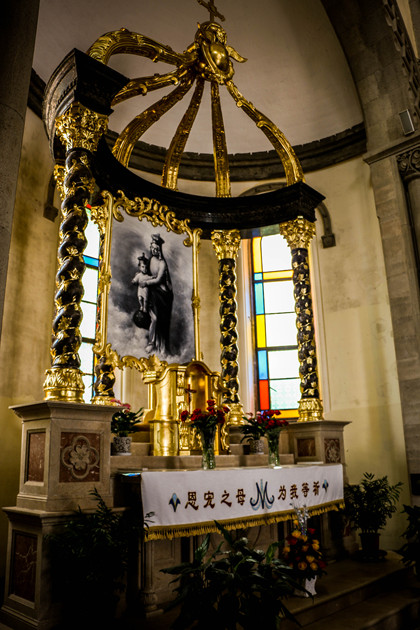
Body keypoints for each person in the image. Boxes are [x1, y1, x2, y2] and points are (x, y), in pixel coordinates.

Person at [137, 234, 173, 354]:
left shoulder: (162, 263)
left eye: (155, 248)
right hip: (153, 293)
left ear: (159, 249)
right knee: (154, 318)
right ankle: (152, 343)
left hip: (163, 296)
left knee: (161, 322)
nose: (153, 250)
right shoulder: (151, 260)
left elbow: (158, 280)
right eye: (152, 248)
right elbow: (148, 274)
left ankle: (161, 346)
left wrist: (146, 283)